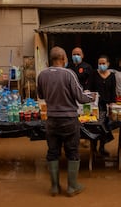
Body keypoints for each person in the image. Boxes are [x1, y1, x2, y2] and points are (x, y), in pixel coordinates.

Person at [37, 46, 96, 197]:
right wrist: (92, 97)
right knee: (72, 152)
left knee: (53, 152)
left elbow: (41, 95)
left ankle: (55, 187)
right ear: (63, 59)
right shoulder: (69, 74)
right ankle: (72, 186)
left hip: (51, 120)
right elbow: (80, 97)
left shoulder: (42, 75)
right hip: (69, 120)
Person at [89, 55, 117, 156]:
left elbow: (113, 91)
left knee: (105, 127)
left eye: (103, 63)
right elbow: (89, 89)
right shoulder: (94, 74)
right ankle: (93, 148)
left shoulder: (112, 76)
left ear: (108, 64)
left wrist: (112, 104)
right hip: (96, 106)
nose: (101, 65)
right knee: (94, 127)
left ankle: (102, 147)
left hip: (107, 106)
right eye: (99, 63)